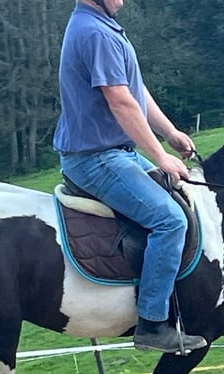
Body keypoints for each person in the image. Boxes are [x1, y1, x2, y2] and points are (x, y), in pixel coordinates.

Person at [53, 0, 207, 354]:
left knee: (181, 195)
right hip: (97, 158)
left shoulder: (102, 26)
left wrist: (170, 133)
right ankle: (152, 323)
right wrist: (159, 157)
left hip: (116, 151)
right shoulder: (95, 33)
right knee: (169, 221)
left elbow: (135, 93)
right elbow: (120, 102)